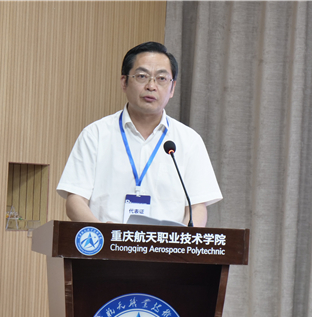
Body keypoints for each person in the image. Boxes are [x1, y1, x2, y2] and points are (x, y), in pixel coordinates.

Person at [57, 42, 222, 227]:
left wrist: (180, 241)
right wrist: (103, 233)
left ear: (172, 88)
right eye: (142, 76)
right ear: (124, 82)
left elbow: (197, 208)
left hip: (165, 245)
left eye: (161, 78)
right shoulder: (95, 135)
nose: (151, 86)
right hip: (108, 242)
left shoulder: (189, 141)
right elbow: (75, 200)